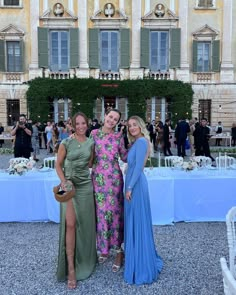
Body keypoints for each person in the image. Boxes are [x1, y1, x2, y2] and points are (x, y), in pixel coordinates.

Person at [55, 112, 97, 289]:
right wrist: (65, 182)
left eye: (83, 123)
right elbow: (58, 164)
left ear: (87, 124)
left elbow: (89, 164)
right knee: (70, 225)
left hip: (86, 186)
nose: (80, 126)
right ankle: (71, 268)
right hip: (70, 187)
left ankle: (87, 259)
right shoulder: (65, 142)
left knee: (86, 225)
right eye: (77, 124)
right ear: (72, 125)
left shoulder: (91, 143)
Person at [124, 116, 163, 285]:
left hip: (136, 186)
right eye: (129, 126)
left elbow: (139, 167)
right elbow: (133, 164)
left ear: (140, 126)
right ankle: (138, 258)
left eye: (134, 125)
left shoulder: (140, 142)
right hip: (133, 183)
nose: (132, 128)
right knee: (135, 222)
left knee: (137, 222)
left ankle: (140, 265)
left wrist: (130, 187)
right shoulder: (138, 142)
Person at [90, 109, 127, 272]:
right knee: (101, 213)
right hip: (98, 179)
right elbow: (87, 154)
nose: (112, 120)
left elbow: (125, 156)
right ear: (105, 116)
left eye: (116, 119)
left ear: (117, 123)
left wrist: (141, 144)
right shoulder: (94, 133)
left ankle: (119, 251)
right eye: (110, 117)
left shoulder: (118, 136)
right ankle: (104, 248)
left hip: (114, 180)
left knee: (115, 213)